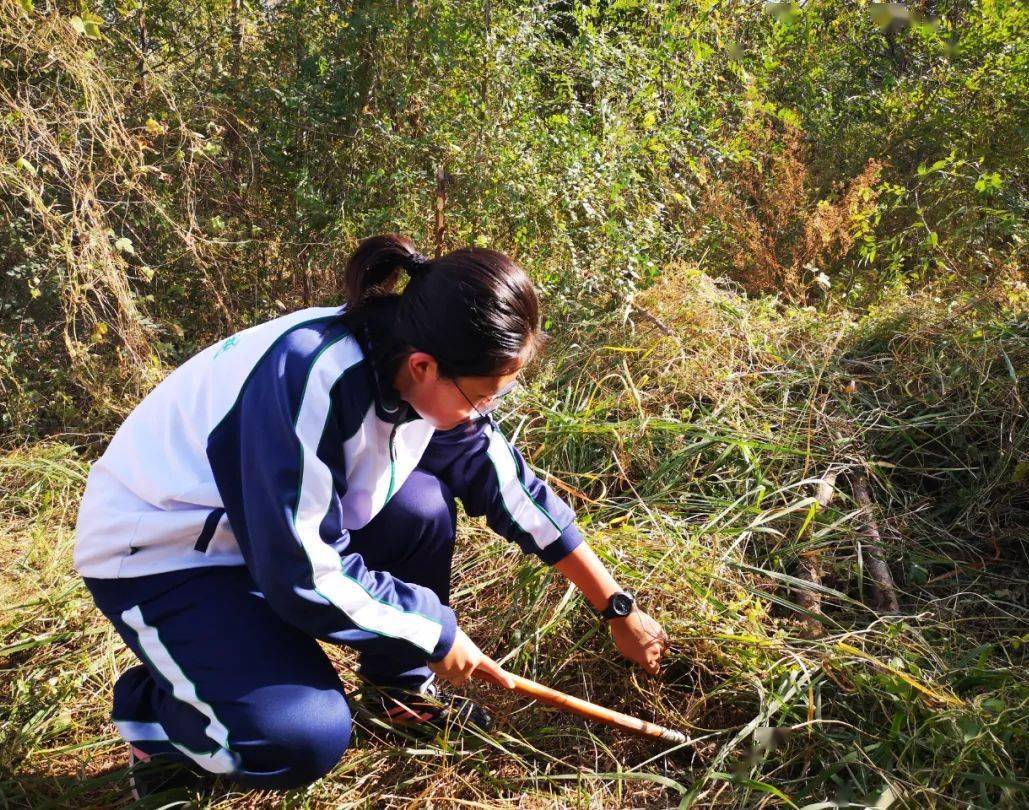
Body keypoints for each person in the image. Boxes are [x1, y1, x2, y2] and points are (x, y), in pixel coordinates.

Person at [74, 234, 670, 794]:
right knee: (300, 737)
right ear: (424, 367)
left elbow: (510, 487)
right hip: (166, 550)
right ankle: (160, 717)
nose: (488, 409)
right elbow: (303, 575)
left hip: (263, 530)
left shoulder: (422, 361)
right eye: (485, 394)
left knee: (420, 510)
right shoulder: (308, 381)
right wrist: (432, 631)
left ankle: (398, 688)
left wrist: (617, 607)